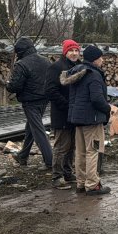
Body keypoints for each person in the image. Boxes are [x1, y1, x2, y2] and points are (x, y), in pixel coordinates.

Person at [67, 45, 111, 196]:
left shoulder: (77, 72)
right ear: (94, 59)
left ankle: (81, 182)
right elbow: (97, 99)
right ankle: (92, 185)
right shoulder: (94, 75)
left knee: (80, 152)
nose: (102, 60)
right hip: (92, 119)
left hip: (78, 119)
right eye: (100, 57)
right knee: (94, 150)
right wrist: (108, 109)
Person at [6, 37, 53, 168]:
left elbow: (14, 86)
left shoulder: (22, 64)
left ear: (20, 51)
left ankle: (50, 161)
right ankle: (23, 156)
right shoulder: (46, 61)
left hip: (30, 102)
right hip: (44, 99)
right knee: (31, 128)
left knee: (38, 130)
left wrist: (7, 84)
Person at [45, 39, 81, 189]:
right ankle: (57, 176)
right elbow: (50, 90)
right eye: (71, 50)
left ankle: (68, 172)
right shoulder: (56, 67)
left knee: (72, 145)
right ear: (65, 52)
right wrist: (66, 105)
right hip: (62, 113)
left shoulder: (78, 67)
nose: (74, 53)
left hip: (75, 114)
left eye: (76, 50)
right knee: (61, 146)